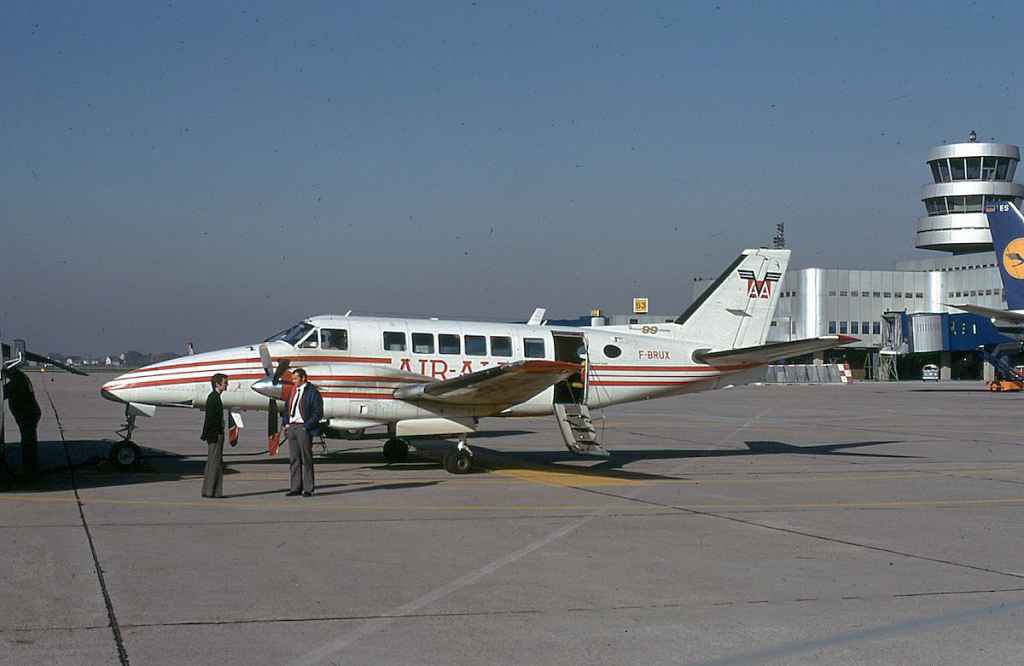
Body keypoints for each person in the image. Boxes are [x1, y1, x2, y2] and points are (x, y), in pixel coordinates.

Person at [283, 368, 322, 497]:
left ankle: (308, 488)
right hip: (292, 427)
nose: (293, 381)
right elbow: (286, 408)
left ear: (303, 378)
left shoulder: (313, 392)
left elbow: (318, 413)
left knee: (306, 459)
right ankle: (295, 488)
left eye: (295, 378)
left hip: (303, 428)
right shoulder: (293, 391)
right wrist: (285, 423)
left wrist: (307, 426)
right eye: (293, 379)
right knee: (294, 459)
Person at [3, 368, 42, 479]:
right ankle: (30, 468)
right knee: (29, 442)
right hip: (30, 414)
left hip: (27, 415)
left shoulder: (17, 381)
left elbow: (3, 393)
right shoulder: (20, 377)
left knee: (28, 443)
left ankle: (29, 471)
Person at [200, 373, 229, 498]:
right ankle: (213, 491)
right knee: (215, 463)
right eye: (225, 382)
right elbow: (211, 419)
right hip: (216, 435)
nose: (227, 384)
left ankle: (210, 490)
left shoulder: (214, 397)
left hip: (214, 434)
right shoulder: (214, 398)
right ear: (217, 384)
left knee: (213, 462)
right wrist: (213, 434)